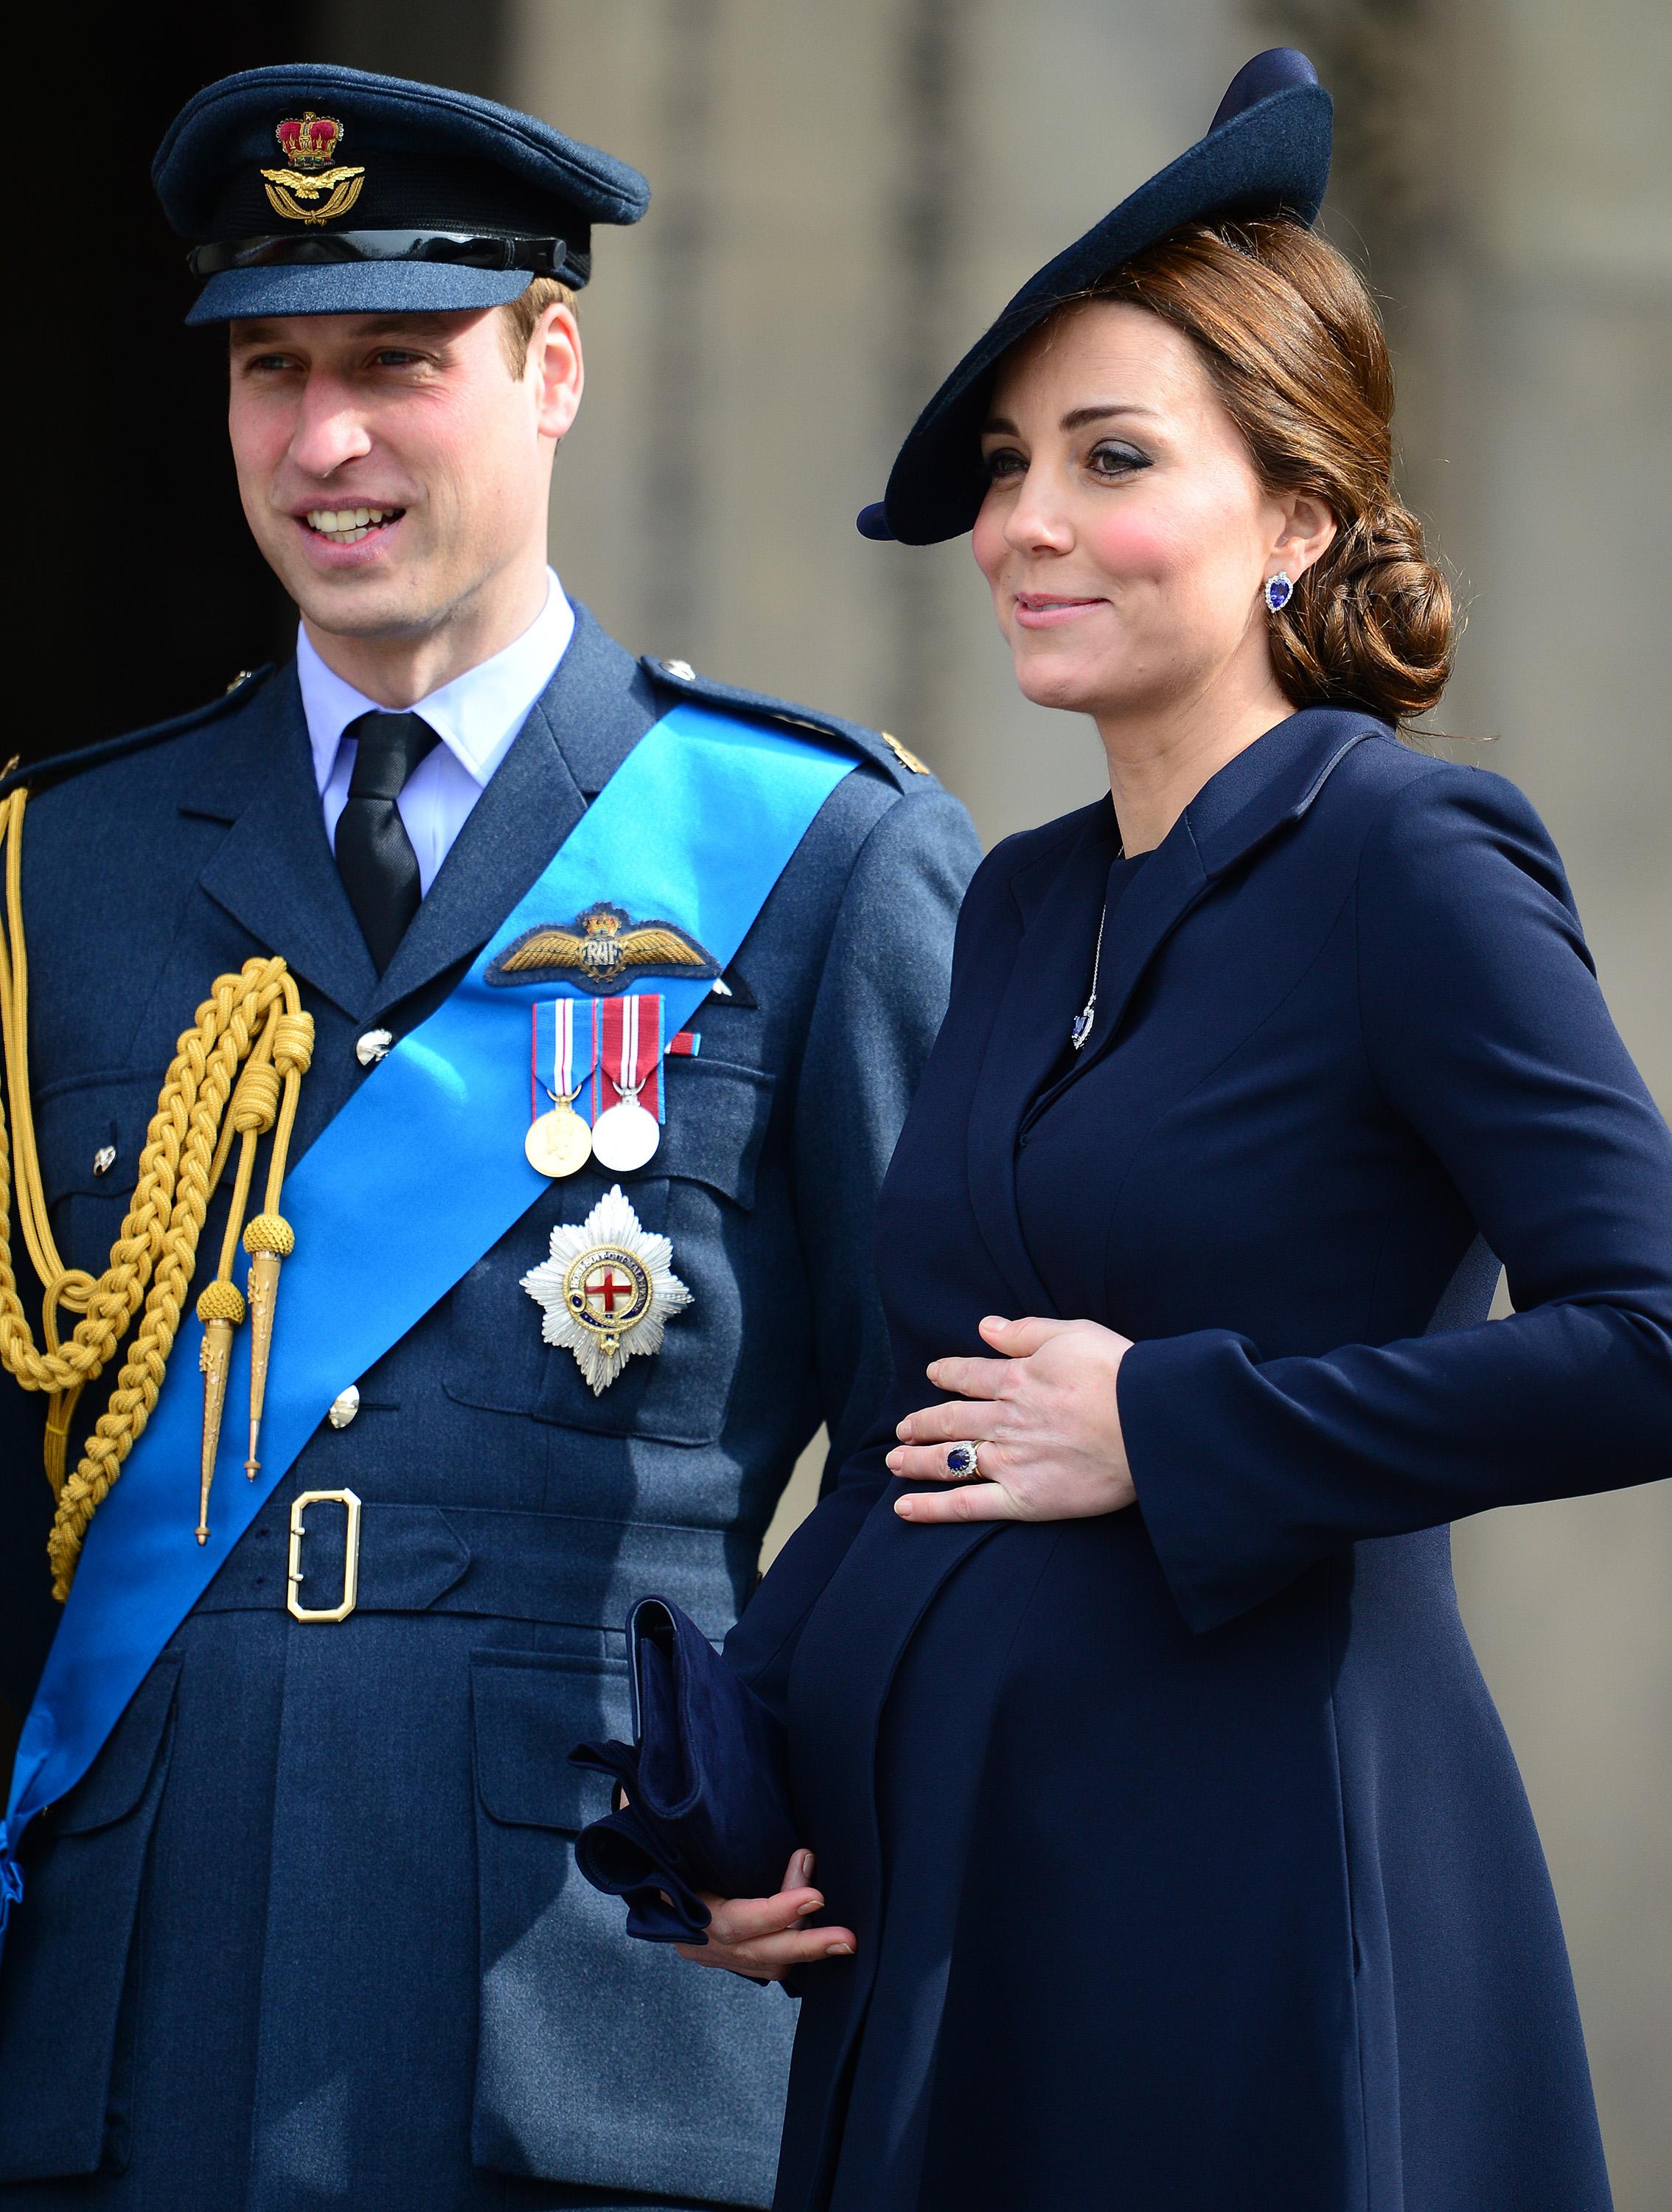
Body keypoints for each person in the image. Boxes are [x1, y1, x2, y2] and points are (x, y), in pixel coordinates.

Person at [672, 50, 1672, 2211]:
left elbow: (1649, 1331)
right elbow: (918, 1406)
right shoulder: (1022, 892)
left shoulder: (1406, 856)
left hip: (1245, 1887)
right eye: (1013, 465)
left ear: (1293, 518)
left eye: (1110, 461)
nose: (1025, 524)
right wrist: (738, 1797)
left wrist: (1176, 1427)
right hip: (959, 1898)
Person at [0, 61, 978, 2212]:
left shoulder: (816, 854)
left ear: (549, 363)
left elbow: (952, 1442)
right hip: (129, 1997)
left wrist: (806, 1812)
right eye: (273, 369)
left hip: (594, 1991)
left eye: (396, 363)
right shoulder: (54, 874)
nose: (325, 440)